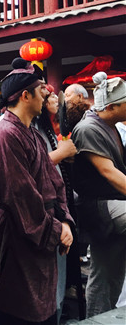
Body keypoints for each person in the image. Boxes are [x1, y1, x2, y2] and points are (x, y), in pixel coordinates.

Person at [0, 58, 74, 325]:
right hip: (19, 235)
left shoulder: (32, 134)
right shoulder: (5, 134)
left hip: (42, 229)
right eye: (40, 90)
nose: (46, 94)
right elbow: (20, 196)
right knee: (19, 311)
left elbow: (54, 182)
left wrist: (64, 220)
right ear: (25, 96)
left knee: (44, 310)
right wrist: (56, 229)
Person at [71, 71, 126, 317]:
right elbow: (109, 173)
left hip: (115, 202)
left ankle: (97, 319)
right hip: (98, 206)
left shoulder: (110, 125)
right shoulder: (88, 128)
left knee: (107, 274)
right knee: (106, 273)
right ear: (112, 107)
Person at [32, 86, 78, 322]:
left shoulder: (45, 126)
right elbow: (29, 169)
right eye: (46, 93)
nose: (52, 98)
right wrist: (60, 154)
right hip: (41, 215)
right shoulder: (22, 128)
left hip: (58, 211)